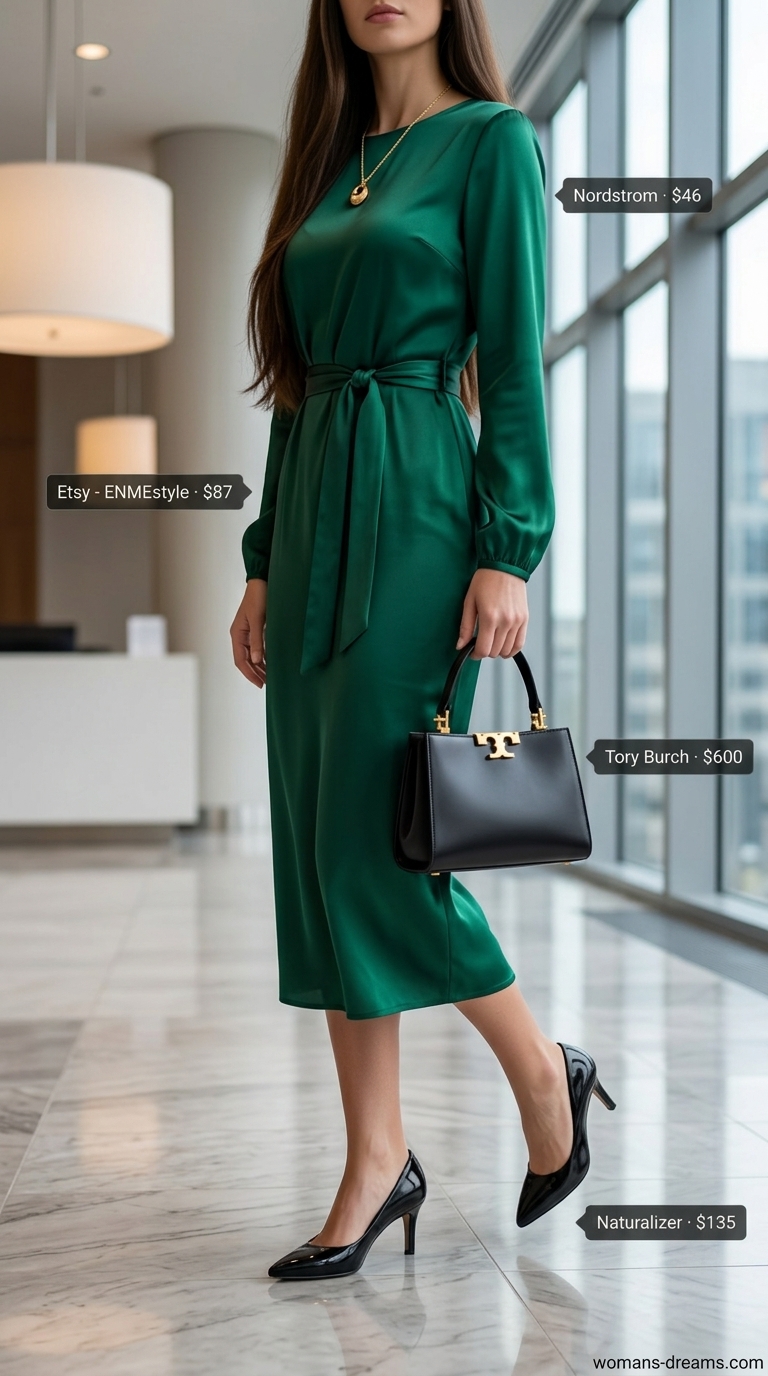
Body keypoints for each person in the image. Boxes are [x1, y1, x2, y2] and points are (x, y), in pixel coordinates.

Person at [230, 0, 614, 1280]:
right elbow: (295, 388)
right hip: (316, 508)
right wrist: (263, 560)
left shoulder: (493, 140)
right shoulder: (329, 165)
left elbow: (514, 359)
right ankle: (375, 1155)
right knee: (322, 845)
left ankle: (543, 1072)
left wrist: (510, 543)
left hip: (419, 512)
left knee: (381, 841)